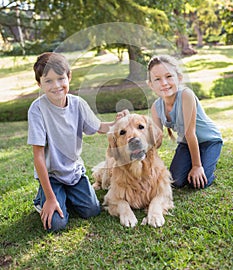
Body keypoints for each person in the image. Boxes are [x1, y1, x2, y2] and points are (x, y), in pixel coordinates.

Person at [28, 52, 128, 232]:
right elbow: (38, 156)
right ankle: (43, 198)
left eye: (60, 78)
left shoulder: (78, 104)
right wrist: (51, 199)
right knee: (56, 225)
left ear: (69, 77)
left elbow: (98, 127)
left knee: (93, 210)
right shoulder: (37, 110)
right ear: (39, 84)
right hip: (52, 176)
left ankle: (66, 195)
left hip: (74, 172)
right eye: (48, 81)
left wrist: (117, 122)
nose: (56, 85)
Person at [147, 54, 223, 189]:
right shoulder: (156, 107)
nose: (164, 83)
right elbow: (157, 141)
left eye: (169, 76)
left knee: (198, 182)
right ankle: (196, 162)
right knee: (176, 181)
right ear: (151, 85)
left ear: (179, 78)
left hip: (209, 140)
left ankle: (206, 163)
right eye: (157, 79)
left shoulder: (186, 95)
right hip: (186, 144)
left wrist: (197, 166)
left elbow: (190, 133)